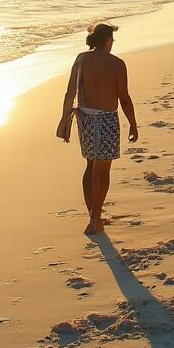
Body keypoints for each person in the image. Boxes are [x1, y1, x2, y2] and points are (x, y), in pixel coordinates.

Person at [56, 23, 138, 235]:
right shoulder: (117, 64)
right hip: (108, 119)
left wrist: (65, 120)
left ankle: (93, 212)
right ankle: (95, 218)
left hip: (85, 118)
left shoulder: (82, 60)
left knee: (90, 166)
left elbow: (69, 92)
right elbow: (124, 98)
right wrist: (133, 123)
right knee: (102, 170)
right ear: (108, 40)